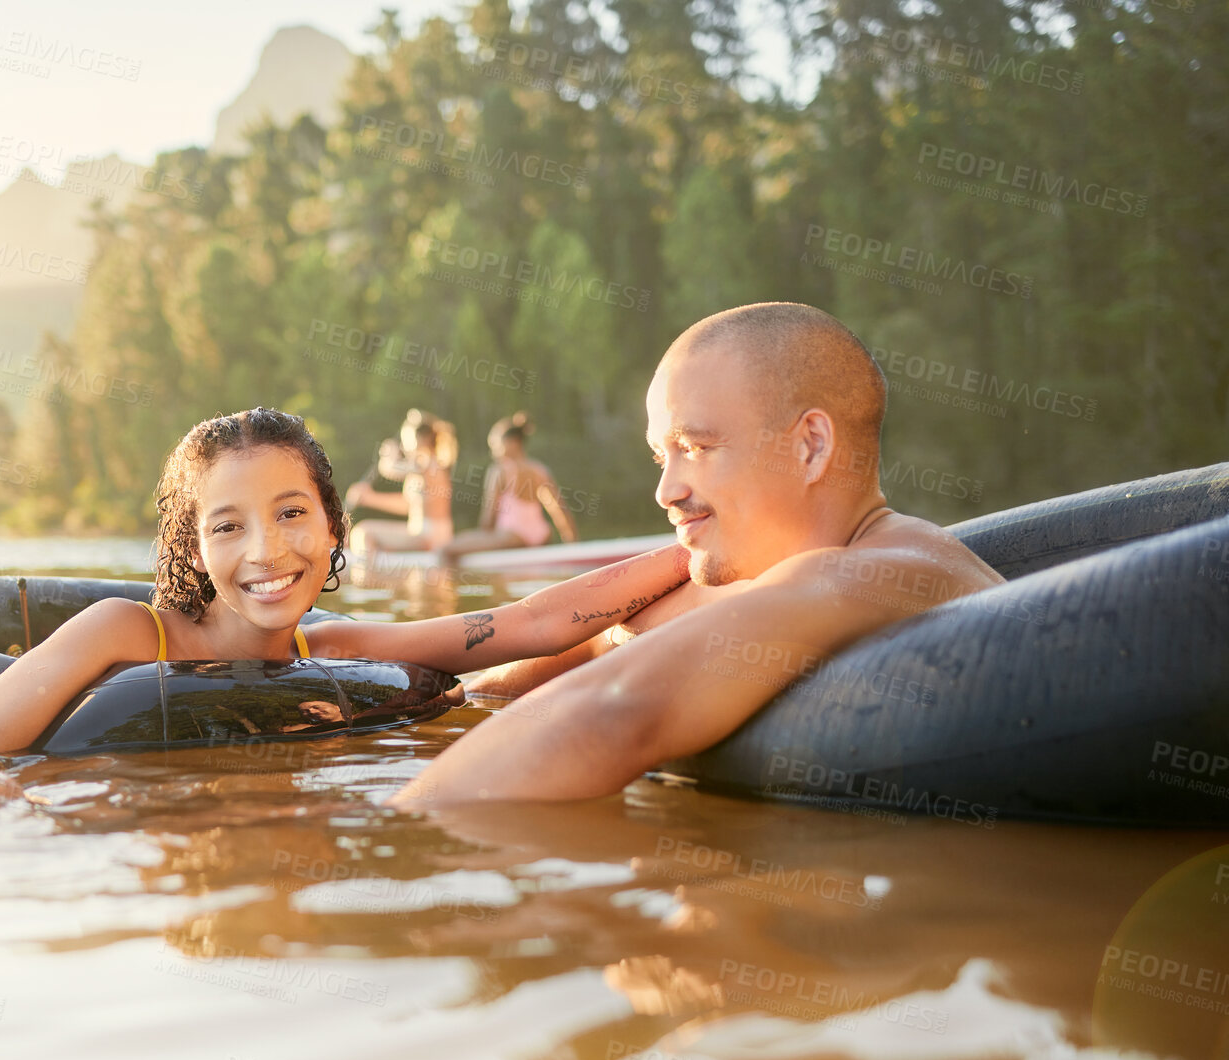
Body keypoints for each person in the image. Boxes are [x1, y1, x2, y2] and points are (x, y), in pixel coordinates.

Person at [0, 407, 690, 814]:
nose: (265, 552)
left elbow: (527, 624)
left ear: (332, 526)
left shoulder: (337, 646)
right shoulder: (126, 631)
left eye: (290, 514)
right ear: (193, 547)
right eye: (227, 526)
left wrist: (699, 552)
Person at [392, 302, 1006, 807]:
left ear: (811, 446)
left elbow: (616, 711)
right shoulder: (759, 572)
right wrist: (401, 700)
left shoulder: (876, 573)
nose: (666, 490)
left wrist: (383, 840)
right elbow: (563, 651)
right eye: (664, 457)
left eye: (697, 447)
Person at [438, 412, 577, 564]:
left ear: (512, 442)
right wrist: (572, 545)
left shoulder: (499, 470)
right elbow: (561, 511)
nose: (493, 450)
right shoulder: (540, 470)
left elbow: (488, 520)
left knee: (445, 549)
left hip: (512, 537)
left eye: (496, 444)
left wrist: (482, 539)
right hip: (541, 534)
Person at [342, 410, 457, 554]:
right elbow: (408, 505)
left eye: (405, 440)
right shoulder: (418, 470)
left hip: (429, 537)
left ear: (421, 438)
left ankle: (366, 576)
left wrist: (389, 457)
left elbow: (390, 469)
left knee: (363, 533)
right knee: (367, 535)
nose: (403, 446)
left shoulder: (427, 463)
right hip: (422, 534)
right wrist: (369, 498)